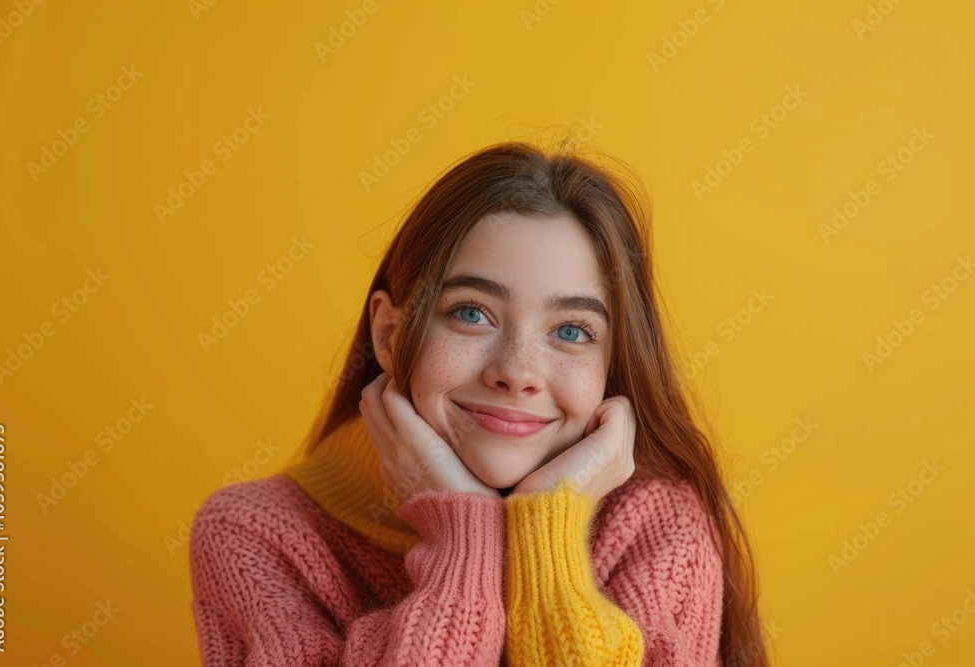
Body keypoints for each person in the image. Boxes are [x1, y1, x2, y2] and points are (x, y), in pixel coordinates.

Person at [188, 140, 770, 666]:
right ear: (390, 335)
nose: (517, 373)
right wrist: (462, 537)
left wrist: (550, 527)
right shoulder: (255, 537)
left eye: (571, 331)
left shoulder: (657, 524)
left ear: (610, 365)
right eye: (472, 313)